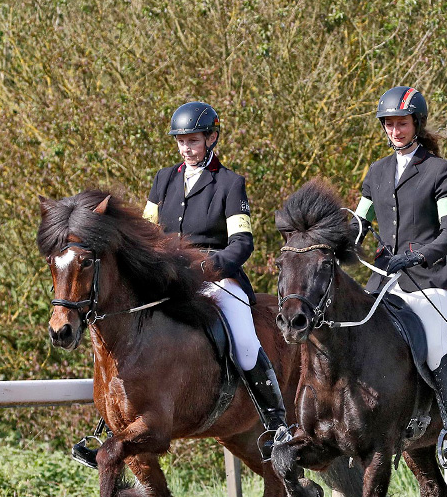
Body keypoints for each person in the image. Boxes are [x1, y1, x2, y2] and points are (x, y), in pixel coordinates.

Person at [72, 101, 287, 467]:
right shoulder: (164, 180)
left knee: (247, 342)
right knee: (127, 329)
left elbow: (242, 243)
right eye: (181, 141)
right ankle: (109, 425)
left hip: (216, 277)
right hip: (170, 276)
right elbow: (147, 232)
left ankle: (276, 423)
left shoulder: (230, 184)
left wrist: (208, 265)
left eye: (193, 141)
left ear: (211, 139)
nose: (187, 148)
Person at [350, 86, 447, 468]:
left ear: (416, 124)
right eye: (389, 124)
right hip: (381, 280)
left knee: (437, 351)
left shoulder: (440, 171)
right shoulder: (376, 171)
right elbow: (361, 221)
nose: (395, 131)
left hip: (426, 278)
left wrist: (416, 255)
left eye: (402, 124)